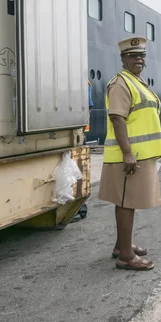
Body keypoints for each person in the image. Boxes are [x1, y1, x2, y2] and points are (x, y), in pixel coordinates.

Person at [98, 36, 161, 271]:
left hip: (140, 154)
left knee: (128, 201)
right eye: (132, 56)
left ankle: (121, 245)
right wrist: (127, 153)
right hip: (129, 156)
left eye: (141, 55)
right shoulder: (120, 83)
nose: (138, 59)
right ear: (123, 58)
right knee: (126, 202)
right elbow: (117, 118)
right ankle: (125, 256)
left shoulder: (137, 81)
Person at [72, 81, 94, 223]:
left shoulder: (82, 82)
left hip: (77, 133)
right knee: (77, 169)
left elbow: (87, 108)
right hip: (76, 132)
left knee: (77, 169)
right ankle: (79, 207)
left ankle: (79, 207)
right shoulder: (83, 82)